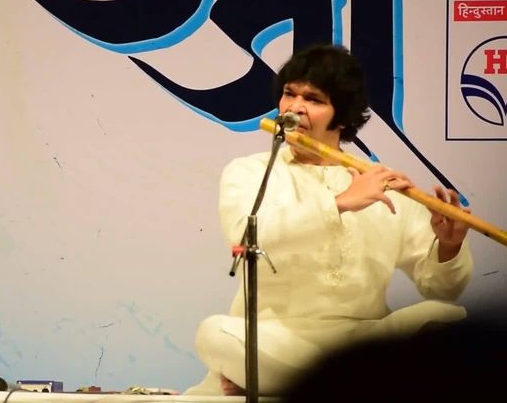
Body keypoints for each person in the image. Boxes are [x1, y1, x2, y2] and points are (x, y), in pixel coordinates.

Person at [186, 45, 473, 396]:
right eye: (289, 94)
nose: (295, 107)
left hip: (361, 342)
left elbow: (442, 288)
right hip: (276, 337)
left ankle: (289, 381)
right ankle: (343, 383)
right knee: (214, 333)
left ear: (343, 117)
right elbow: (246, 237)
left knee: (445, 317)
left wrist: (449, 246)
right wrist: (338, 204)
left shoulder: (382, 184)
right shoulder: (250, 172)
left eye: (313, 99)